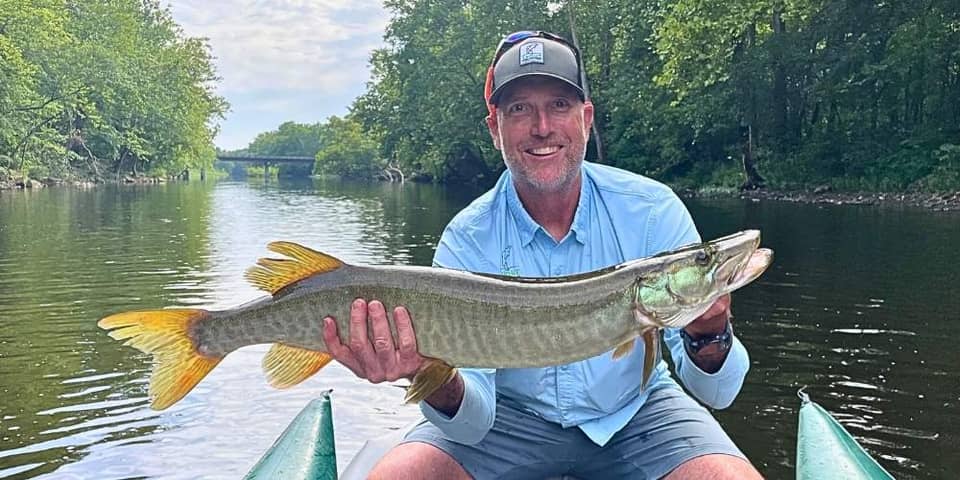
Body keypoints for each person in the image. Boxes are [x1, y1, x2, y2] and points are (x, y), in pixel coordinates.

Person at [321, 31, 762, 479]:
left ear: (586, 119)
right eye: (519, 109)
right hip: (508, 420)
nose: (543, 127)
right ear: (495, 129)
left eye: (559, 105)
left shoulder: (652, 210)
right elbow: (472, 423)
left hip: (638, 414)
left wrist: (710, 334)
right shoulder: (468, 238)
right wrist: (427, 373)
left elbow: (719, 392)